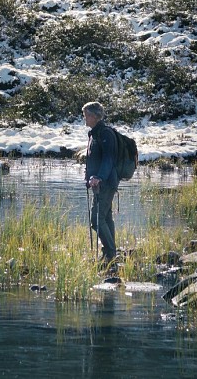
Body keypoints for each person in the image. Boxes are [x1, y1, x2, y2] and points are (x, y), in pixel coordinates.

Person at [82, 101, 118, 268]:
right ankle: (110, 253)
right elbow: (93, 159)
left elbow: (108, 159)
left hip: (106, 183)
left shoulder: (105, 133)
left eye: (87, 115)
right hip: (99, 183)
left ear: (95, 116)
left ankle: (110, 254)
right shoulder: (94, 133)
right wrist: (88, 178)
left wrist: (99, 178)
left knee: (96, 220)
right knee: (105, 217)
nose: (85, 118)